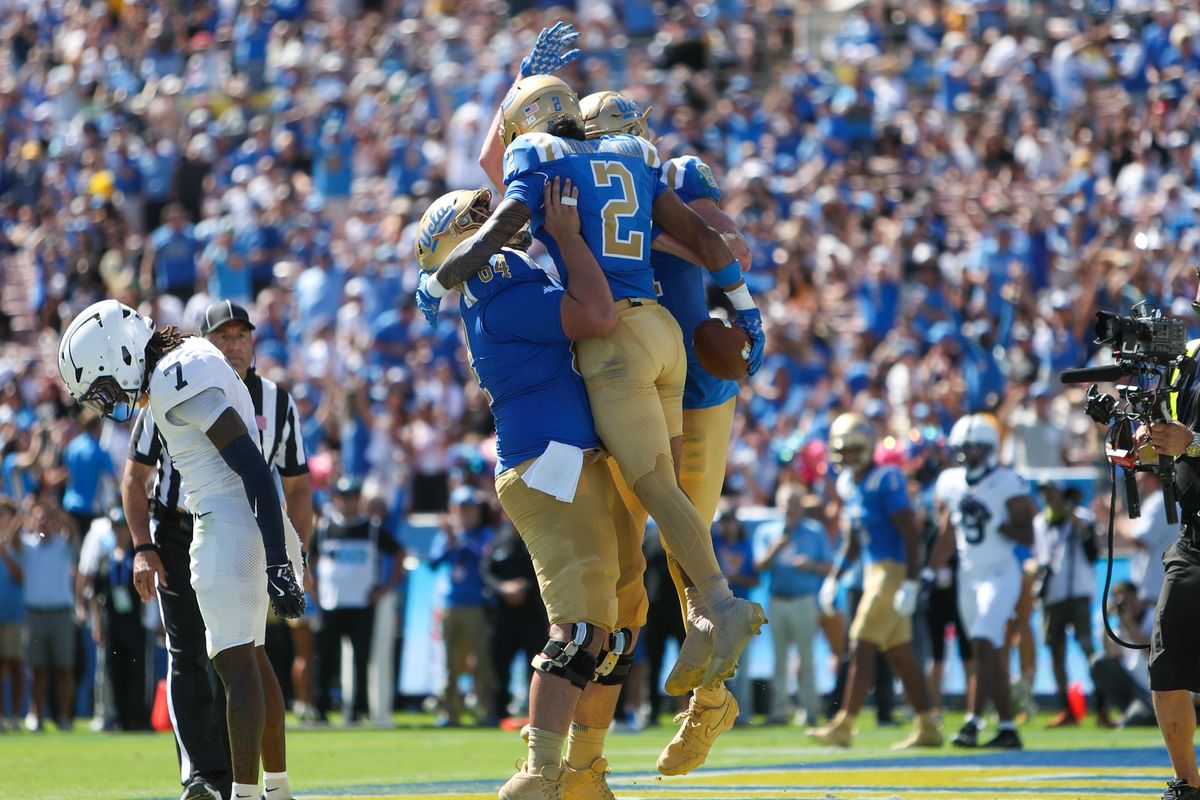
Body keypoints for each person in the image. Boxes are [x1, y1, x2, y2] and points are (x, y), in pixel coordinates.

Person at [424, 55, 765, 690]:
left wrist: (441, 275)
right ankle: (705, 624)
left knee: (659, 496)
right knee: (663, 504)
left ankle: (719, 605)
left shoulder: (550, 161)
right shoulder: (636, 158)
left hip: (621, 347)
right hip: (665, 336)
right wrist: (746, 312)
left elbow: (503, 216)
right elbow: (710, 241)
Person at [416, 177, 647, 799]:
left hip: (573, 458)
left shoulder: (501, 281)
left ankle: (584, 770)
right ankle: (540, 772)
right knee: (578, 629)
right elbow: (597, 315)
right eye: (481, 218)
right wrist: (568, 237)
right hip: (551, 464)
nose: (503, 220)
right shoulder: (498, 292)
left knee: (619, 627)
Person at [59, 299, 306, 800]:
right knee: (254, 661)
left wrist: (278, 560)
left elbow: (253, 467)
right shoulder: (186, 355)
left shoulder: (174, 375)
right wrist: (279, 548)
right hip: (256, 519)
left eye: (103, 387)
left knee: (235, 667)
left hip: (228, 524)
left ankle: (244, 793)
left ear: (120, 355)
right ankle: (276, 790)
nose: (107, 401)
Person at [575, 87, 754, 775]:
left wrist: (649, 233)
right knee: (623, 569)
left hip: (696, 389)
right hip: (624, 381)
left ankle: (710, 702)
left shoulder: (672, 173)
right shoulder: (575, 180)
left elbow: (728, 244)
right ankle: (589, 756)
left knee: (688, 551)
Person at [808, 413, 941, 750]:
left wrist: (911, 581)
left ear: (868, 446)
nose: (850, 455)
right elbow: (853, 540)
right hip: (871, 572)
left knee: (860, 641)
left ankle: (844, 725)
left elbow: (911, 535)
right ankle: (928, 725)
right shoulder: (848, 484)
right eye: (844, 449)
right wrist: (833, 578)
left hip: (891, 570)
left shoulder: (887, 479)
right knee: (901, 653)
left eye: (855, 448)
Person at [930, 414, 1036, 750]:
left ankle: (972, 721)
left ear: (990, 449)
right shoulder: (948, 481)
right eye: (963, 448)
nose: (968, 454)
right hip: (968, 574)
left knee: (982, 641)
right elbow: (947, 532)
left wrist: (997, 524)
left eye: (975, 448)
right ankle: (1007, 727)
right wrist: (930, 571)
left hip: (1001, 571)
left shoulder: (1007, 481)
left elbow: (1028, 533)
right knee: (987, 649)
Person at [310, 475, 403, 724]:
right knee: (325, 661)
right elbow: (310, 561)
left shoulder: (371, 528)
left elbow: (399, 553)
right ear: (336, 499)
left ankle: (358, 711)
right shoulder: (324, 528)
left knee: (361, 661)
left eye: (352, 497)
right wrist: (315, 591)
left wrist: (384, 588)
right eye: (343, 497)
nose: (348, 502)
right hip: (331, 604)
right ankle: (320, 710)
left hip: (362, 605)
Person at [756, 487, 834, 727]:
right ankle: (779, 710)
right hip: (778, 599)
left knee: (807, 657)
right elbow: (759, 565)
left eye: (795, 503)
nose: (791, 508)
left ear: (802, 505)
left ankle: (810, 709)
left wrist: (810, 565)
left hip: (804, 599)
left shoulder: (815, 531)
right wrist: (776, 546)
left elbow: (829, 566)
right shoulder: (767, 531)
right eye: (787, 503)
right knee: (779, 659)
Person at [429, 486, 495, 728]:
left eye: (470, 509)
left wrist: (455, 538)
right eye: (461, 509)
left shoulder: (484, 534)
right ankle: (450, 711)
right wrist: (449, 539)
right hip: (450, 604)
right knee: (450, 662)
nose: (466, 515)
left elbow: (482, 557)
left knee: (481, 660)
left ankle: (485, 709)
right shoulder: (447, 535)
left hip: (476, 605)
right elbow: (435, 562)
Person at [1033, 481, 1098, 727]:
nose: (1049, 499)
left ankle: (1101, 706)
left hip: (1079, 591)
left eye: (1053, 493)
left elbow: (1092, 554)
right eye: (1045, 494)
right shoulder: (1040, 522)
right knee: (1056, 651)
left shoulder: (1082, 517)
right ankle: (1066, 708)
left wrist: (1077, 523)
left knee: (1087, 647)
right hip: (1053, 594)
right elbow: (1041, 556)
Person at [13, 495, 79, 732]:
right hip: (35, 615)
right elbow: (11, 540)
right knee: (37, 670)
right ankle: (37, 715)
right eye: (39, 521)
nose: (43, 524)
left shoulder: (62, 545)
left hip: (61, 614)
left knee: (64, 669)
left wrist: (56, 511)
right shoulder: (28, 545)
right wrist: (23, 513)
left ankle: (64, 717)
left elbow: (73, 531)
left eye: (46, 520)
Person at [88, 507, 149, 731]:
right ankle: (121, 718)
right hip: (112, 620)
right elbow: (95, 593)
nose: (119, 531)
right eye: (115, 527)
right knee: (115, 670)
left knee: (137, 670)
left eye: (122, 527)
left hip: (134, 619)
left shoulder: (136, 557)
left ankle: (138, 717)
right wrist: (96, 624)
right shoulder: (105, 558)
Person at [482, 518, 548, 722]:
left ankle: (537, 716)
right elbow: (486, 572)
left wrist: (524, 587)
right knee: (499, 666)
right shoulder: (497, 542)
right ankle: (498, 713)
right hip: (503, 617)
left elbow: (545, 574)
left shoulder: (538, 539)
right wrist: (503, 589)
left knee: (536, 667)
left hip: (532, 616)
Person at [1090, 581, 1155, 729]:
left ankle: (1125, 718)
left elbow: (1152, 651)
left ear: (1138, 597)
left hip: (1154, 688)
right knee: (1098, 663)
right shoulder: (1119, 625)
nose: (1128, 606)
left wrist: (1130, 625)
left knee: (1139, 718)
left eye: (1129, 600)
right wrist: (1106, 622)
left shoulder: (1154, 616)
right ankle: (1124, 712)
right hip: (1133, 687)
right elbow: (1111, 654)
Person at [60, 415, 117, 537]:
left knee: (73, 546)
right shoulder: (100, 451)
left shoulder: (72, 446)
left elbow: (67, 471)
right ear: (97, 427)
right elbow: (113, 478)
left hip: (69, 504)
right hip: (90, 507)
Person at [0, 499, 24, 731]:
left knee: (15, 666)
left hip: (14, 614)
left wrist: (4, 554)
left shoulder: (17, 544)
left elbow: (20, 576)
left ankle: (15, 717)